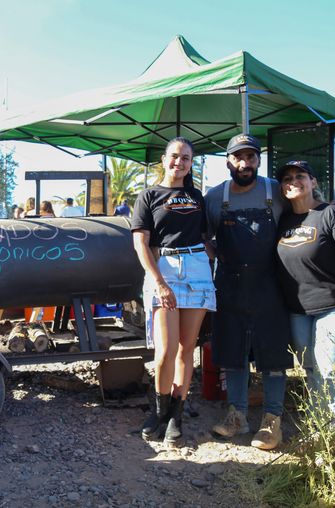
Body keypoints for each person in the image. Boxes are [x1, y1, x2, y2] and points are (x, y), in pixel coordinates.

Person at [205, 133, 292, 450]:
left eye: (251, 157)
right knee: (233, 353)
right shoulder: (216, 197)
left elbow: (309, 209)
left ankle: (272, 421)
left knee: (273, 356)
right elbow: (201, 235)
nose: (245, 163)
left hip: (271, 283)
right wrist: (216, 255)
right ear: (228, 161)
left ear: (258, 160)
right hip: (229, 284)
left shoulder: (275, 190)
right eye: (238, 157)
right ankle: (237, 416)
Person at [130, 137, 215, 445]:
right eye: (175, 156)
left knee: (186, 349)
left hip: (197, 269)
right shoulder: (149, 195)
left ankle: (176, 416)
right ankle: (159, 410)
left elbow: (205, 237)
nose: (180, 162)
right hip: (163, 267)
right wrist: (159, 283)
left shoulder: (197, 196)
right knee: (164, 352)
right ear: (164, 160)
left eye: (186, 158)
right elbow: (141, 243)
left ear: (191, 164)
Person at [275, 161, 335, 414]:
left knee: (332, 373)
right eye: (287, 178)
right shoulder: (283, 220)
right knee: (310, 370)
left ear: (313, 182)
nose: (293, 181)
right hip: (299, 311)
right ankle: (322, 432)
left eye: (300, 176)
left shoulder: (332, 214)